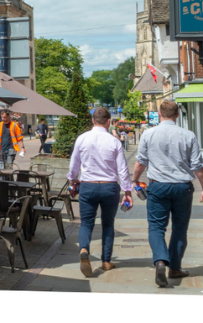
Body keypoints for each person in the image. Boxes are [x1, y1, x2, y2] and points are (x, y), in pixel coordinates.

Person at [132, 100, 203, 288]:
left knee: (157, 227)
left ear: (159, 114)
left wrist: (134, 180)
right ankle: (174, 267)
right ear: (177, 115)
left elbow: (141, 162)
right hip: (182, 187)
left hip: (158, 187)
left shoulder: (148, 134)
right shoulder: (188, 135)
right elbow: (197, 165)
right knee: (179, 228)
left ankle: (160, 261)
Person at [67, 107, 133, 278]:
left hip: (88, 185)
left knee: (86, 223)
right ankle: (105, 261)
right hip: (109, 186)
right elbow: (123, 169)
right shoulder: (114, 141)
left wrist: (72, 179)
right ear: (109, 121)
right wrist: (127, 191)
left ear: (92, 120)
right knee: (108, 224)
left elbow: (74, 164)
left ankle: (84, 249)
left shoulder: (82, 139)